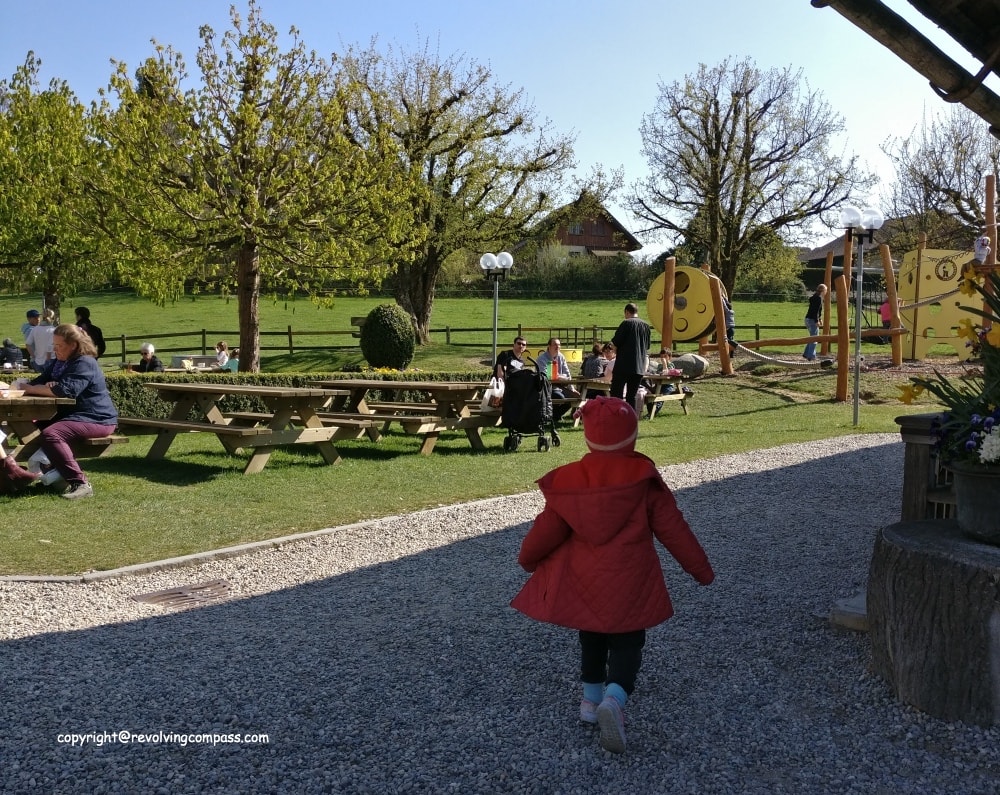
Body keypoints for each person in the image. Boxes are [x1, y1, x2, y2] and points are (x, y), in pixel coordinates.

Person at [510, 397, 715, 754]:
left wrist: (528, 560)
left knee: (590, 636)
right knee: (627, 642)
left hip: (584, 581)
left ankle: (590, 702)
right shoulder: (644, 480)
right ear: (632, 437)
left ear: (588, 439)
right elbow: (674, 530)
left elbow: (546, 530)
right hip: (631, 581)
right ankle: (615, 699)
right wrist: (701, 570)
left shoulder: (571, 481)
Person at [17, 324, 118, 499]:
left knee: (52, 434)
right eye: (53, 346)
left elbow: (66, 391)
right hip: (73, 417)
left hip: (97, 419)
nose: (55, 350)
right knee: (24, 424)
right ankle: (52, 477)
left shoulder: (85, 362)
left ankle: (80, 483)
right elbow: (39, 381)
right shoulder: (60, 363)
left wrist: (26, 389)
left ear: (73, 345)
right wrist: (25, 387)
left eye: (59, 346)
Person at [610, 302, 651, 408]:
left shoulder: (626, 323)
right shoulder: (646, 326)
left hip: (624, 365)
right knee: (631, 396)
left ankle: (616, 417)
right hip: (639, 367)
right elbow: (647, 346)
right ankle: (630, 419)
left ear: (627, 312)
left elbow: (615, 342)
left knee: (616, 394)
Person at [535, 337, 579, 422]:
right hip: (546, 388)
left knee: (574, 396)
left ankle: (555, 416)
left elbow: (568, 374)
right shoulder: (542, 359)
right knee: (560, 397)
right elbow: (546, 376)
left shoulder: (561, 357)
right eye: (555, 344)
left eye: (559, 345)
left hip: (561, 387)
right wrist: (561, 377)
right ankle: (551, 416)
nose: (557, 347)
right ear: (549, 346)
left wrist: (572, 389)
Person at [26, 308, 56, 373]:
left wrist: (33, 356)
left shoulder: (35, 329)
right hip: (51, 360)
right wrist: (48, 360)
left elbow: (28, 344)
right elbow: (50, 347)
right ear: (53, 318)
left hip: (38, 361)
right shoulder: (53, 330)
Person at [803, 284, 828, 361]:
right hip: (812, 320)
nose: (826, 292)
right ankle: (811, 356)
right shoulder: (818, 299)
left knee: (812, 337)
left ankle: (806, 354)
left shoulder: (815, 297)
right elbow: (815, 311)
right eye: (826, 290)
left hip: (807, 319)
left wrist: (819, 319)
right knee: (815, 338)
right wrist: (816, 321)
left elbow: (816, 311)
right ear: (823, 291)